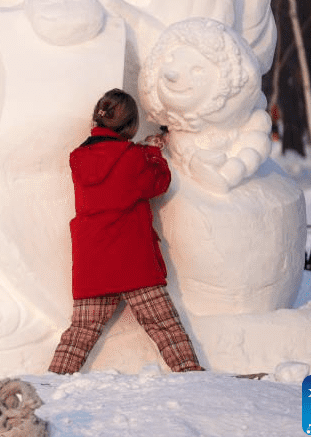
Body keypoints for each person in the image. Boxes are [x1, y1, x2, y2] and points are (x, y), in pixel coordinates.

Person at [48, 88, 204, 374]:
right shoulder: (133, 158)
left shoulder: (79, 158)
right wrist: (153, 153)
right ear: (131, 126)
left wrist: (140, 151)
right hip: (131, 260)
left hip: (92, 260)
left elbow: (109, 167)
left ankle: (52, 383)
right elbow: (157, 184)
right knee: (165, 326)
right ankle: (190, 375)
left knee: (80, 333)